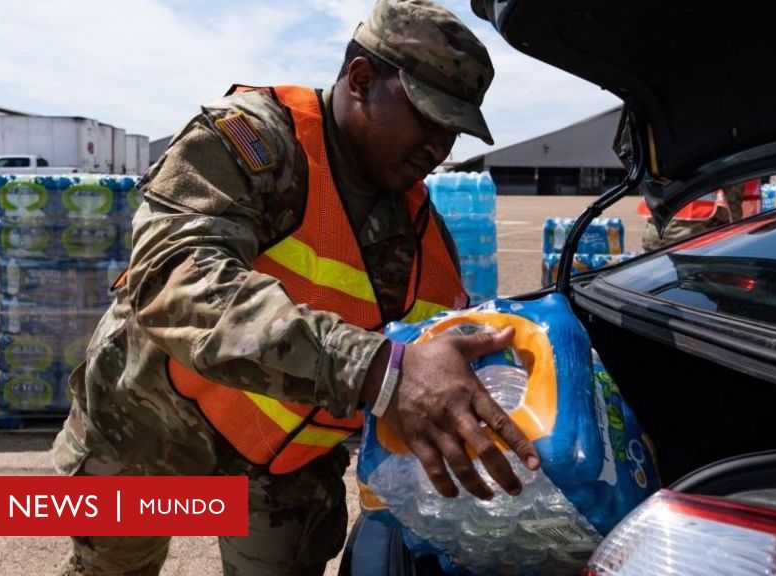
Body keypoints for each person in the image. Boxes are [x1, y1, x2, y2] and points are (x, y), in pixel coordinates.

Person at [52, 0, 540, 574]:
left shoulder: (425, 240)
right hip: (147, 424)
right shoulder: (251, 142)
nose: (439, 148)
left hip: (281, 465)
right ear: (361, 80)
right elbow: (175, 279)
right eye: (428, 117)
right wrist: (382, 369)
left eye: (452, 131)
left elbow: (441, 358)